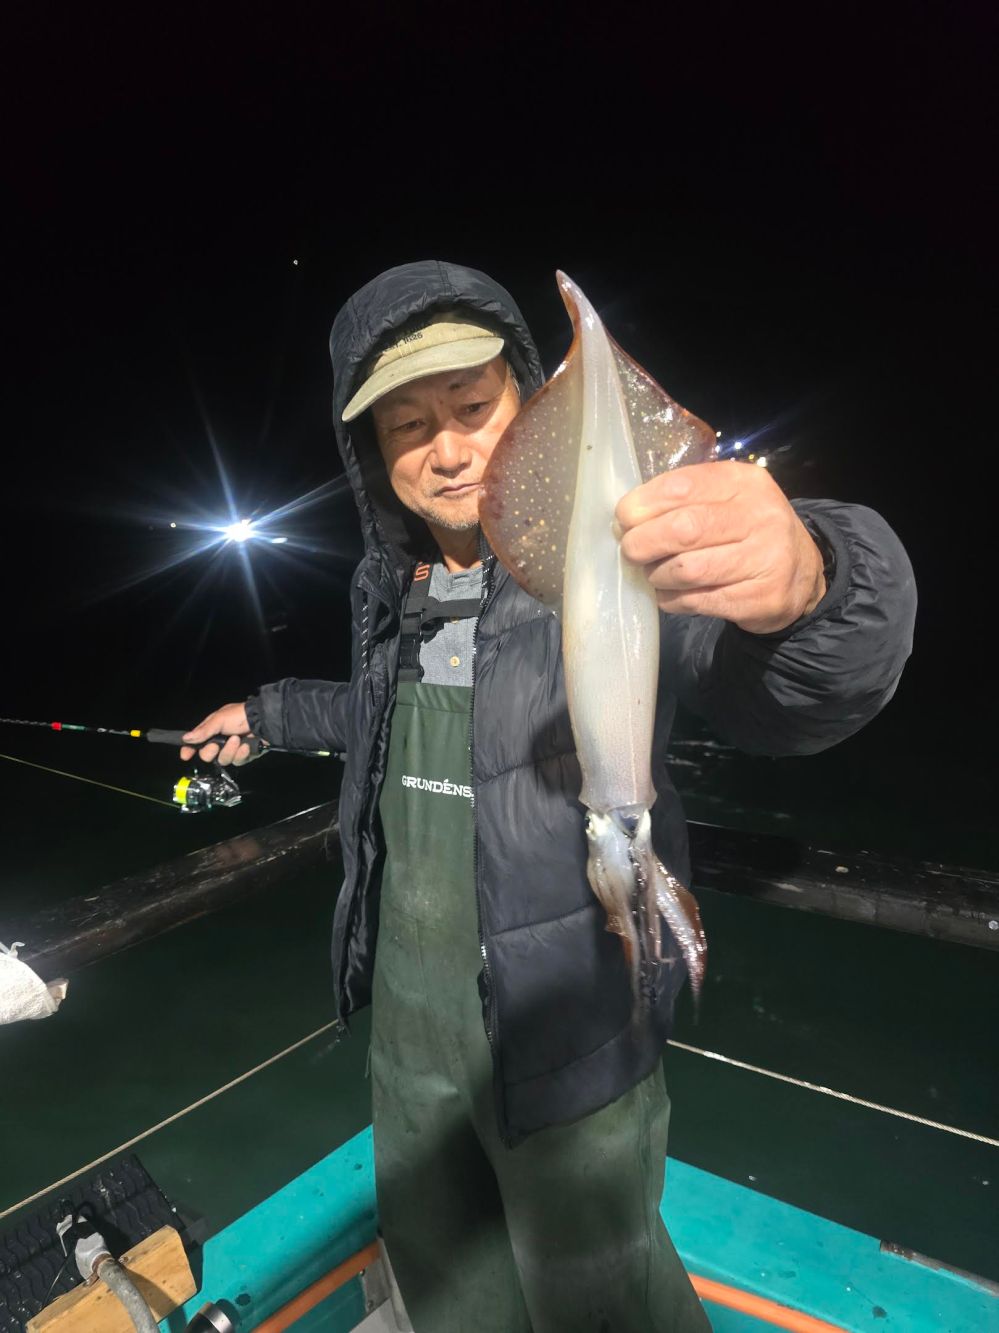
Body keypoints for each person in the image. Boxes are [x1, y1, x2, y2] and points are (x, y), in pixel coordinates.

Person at [182, 260, 916, 1331]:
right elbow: (380, 716)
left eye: (473, 406)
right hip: (412, 1040)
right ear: (372, 453)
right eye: (406, 423)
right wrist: (267, 713)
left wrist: (818, 579)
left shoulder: (612, 560)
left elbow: (791, 689)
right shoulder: (392, 590)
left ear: (526, 402)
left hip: (568, 1032)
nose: (446, 447)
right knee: (448, 1289)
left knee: (602, 1295)